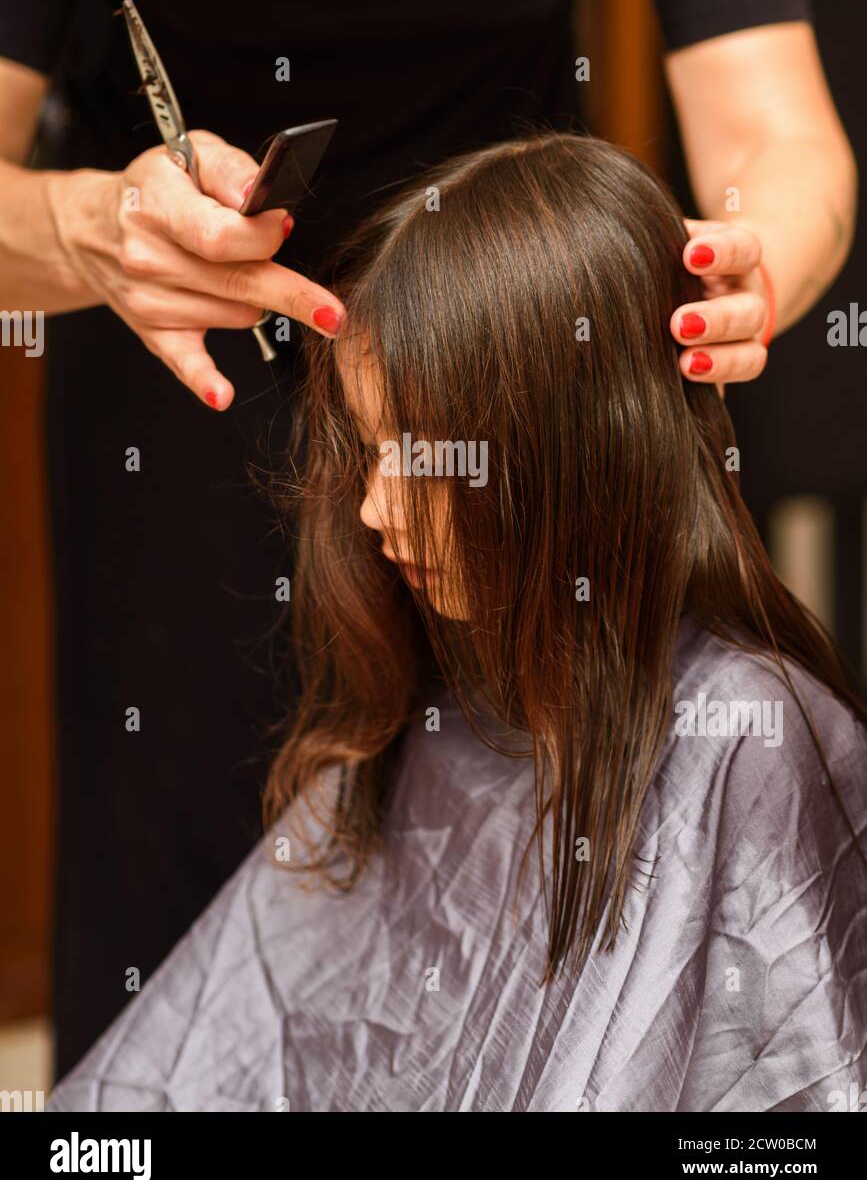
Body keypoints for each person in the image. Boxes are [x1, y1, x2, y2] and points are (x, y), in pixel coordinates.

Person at [0, 0, 856, 1076]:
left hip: (506, 348)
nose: (375, 511)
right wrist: (88, 227)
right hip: (184, 326)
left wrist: (748, 267)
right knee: (178, 900)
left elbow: (778, 135)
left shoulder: (757, 732)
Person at [45, 132, 867, 1112]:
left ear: (576, 444)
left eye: (427, 459)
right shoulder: (439, 703)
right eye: (374, 450)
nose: (375, 511)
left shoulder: (750, 737)